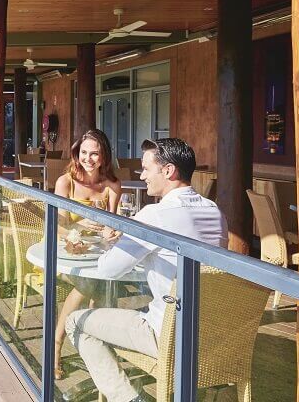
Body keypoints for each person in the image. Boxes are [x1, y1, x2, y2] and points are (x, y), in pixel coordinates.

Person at [65, 138, 228, 402]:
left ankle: (128, 398)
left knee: (75, 322)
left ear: (168, 171)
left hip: (168, 333)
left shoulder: (155, 215)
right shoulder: (214, 211)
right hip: (213, 333)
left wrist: (109, 243)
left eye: (146, 169)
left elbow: (108, 270)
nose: (142, 176)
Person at [52, 129, 121, 379]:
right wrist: (77, 225)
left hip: (98, 254)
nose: (88, 159)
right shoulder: (66, 182)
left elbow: (115, 223)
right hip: (65, 253)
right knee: (91, 285)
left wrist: (113, 232)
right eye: (83, 153)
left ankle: (93, 345)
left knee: (104, 283)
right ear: (77, 153)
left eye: (94, 153)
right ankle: (56, 346)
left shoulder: (112, 185)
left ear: (104, 156)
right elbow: (58, 227)